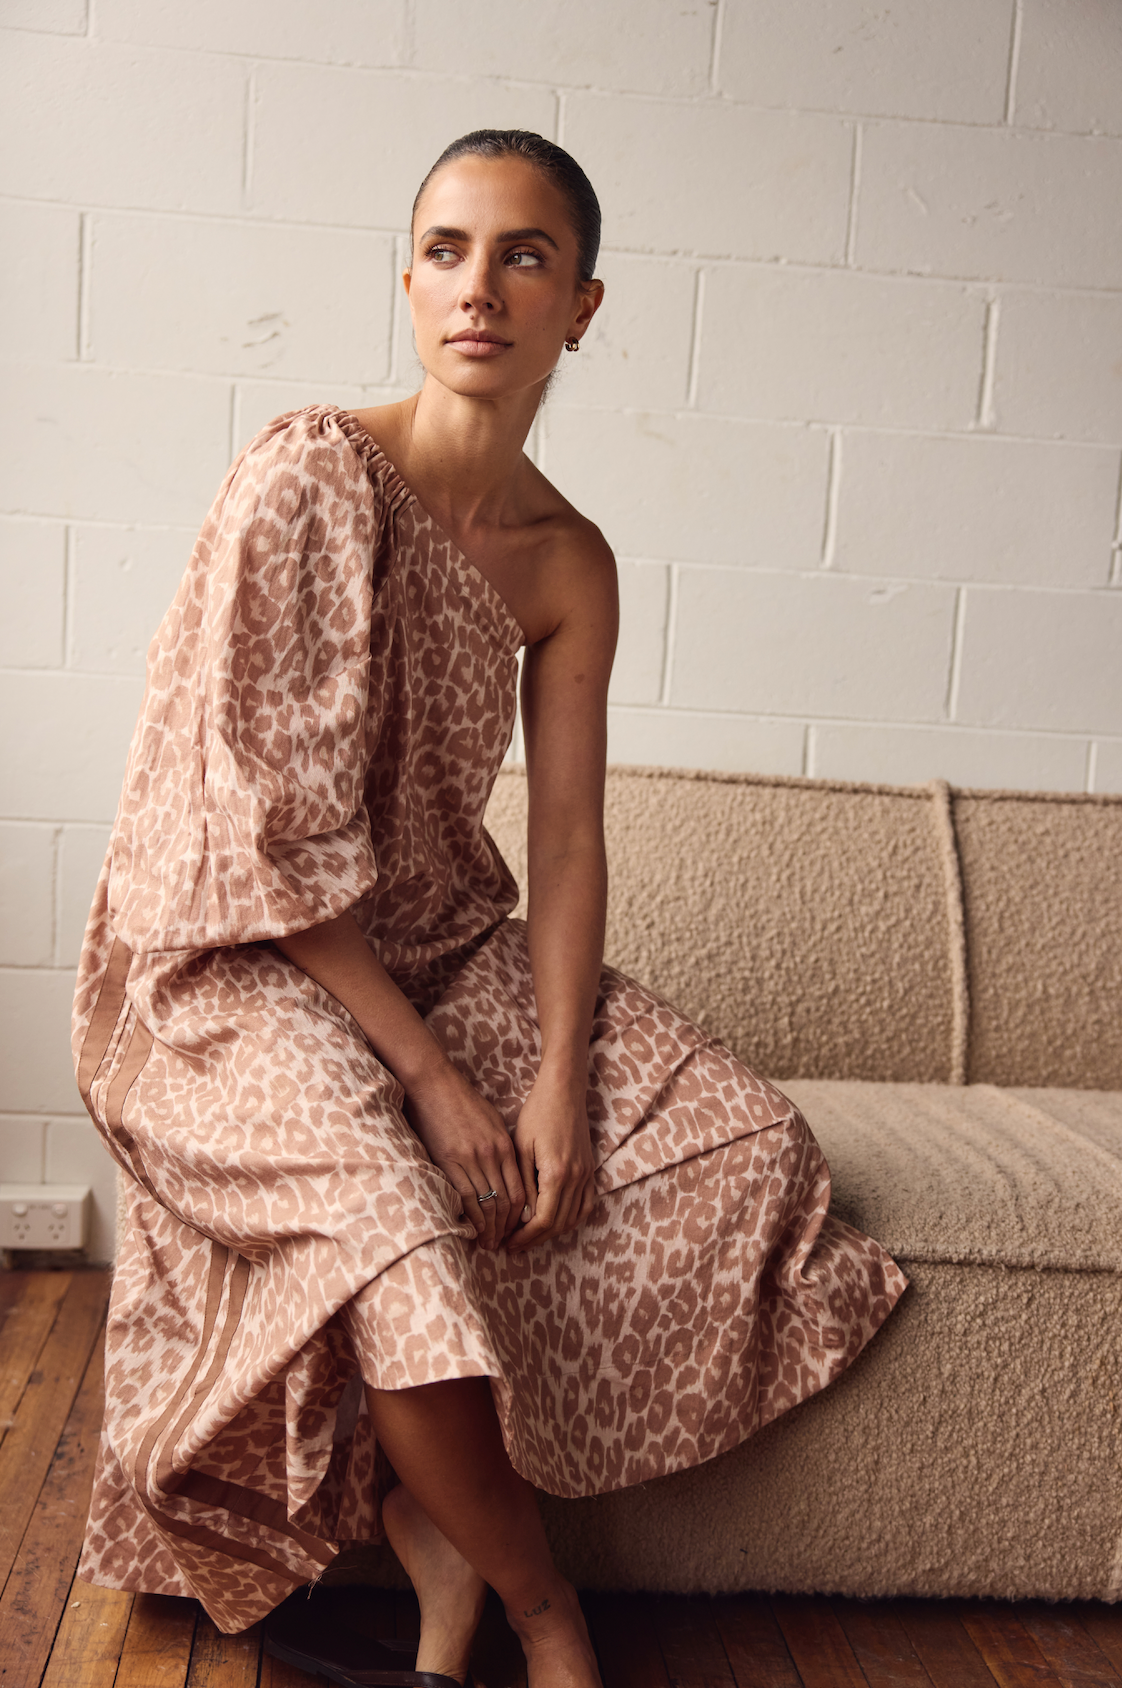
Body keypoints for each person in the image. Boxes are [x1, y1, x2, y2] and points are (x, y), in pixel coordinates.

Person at [73, 130, 906, 1688]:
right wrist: (435, 1082)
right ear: (405, 281)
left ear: (580, 305)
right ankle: (542, 1613)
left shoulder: (567, 560)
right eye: (447, 251)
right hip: (236, 955)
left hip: (435, 938)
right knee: (395, 1220)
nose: (479, 288)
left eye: (524, 257)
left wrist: (555, 1085)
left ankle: (437, 1531)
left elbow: (569, 842)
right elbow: (259, 839)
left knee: (744, 1148)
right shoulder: (308, 477)